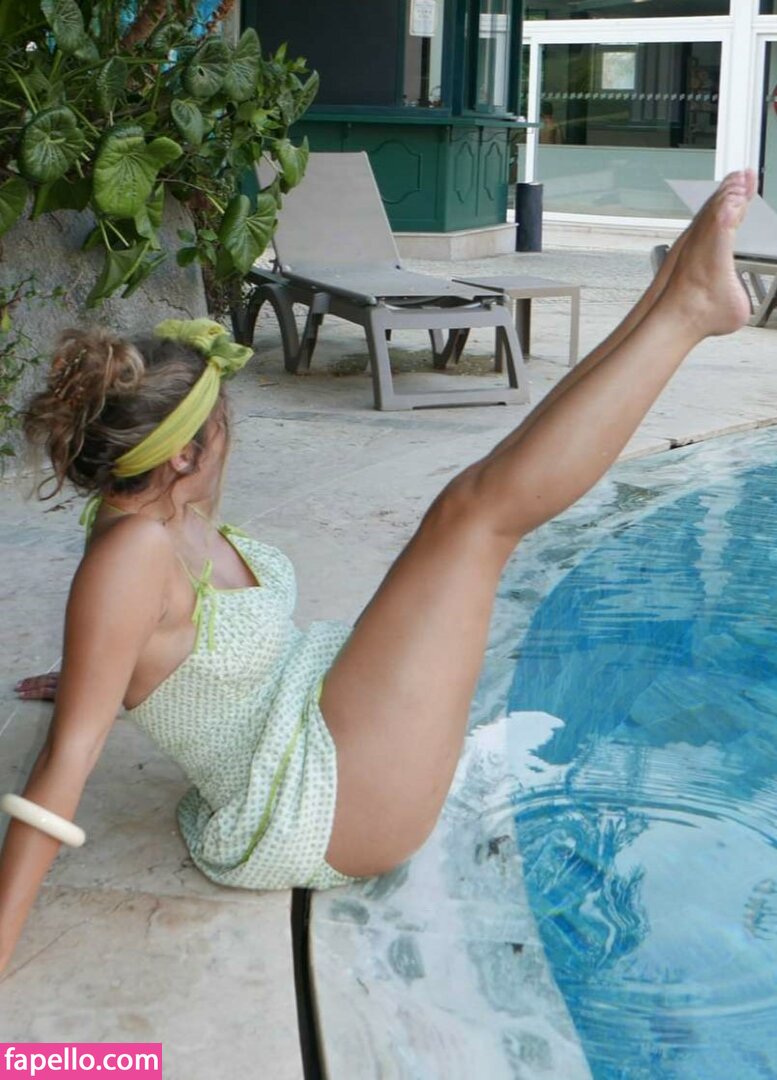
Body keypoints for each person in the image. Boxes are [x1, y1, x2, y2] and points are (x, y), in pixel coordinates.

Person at [0, 171, 756, 976]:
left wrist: (97, 670)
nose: (230, 439)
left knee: (487, 488)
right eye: (222, 426)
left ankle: (674, 294)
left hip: (316, 728)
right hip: (321, 805)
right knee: (473, 518)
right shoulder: (131, 554)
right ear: (182, 456)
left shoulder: (148, 514)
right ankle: (683, 309)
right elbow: (64, 765)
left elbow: (143, 631)